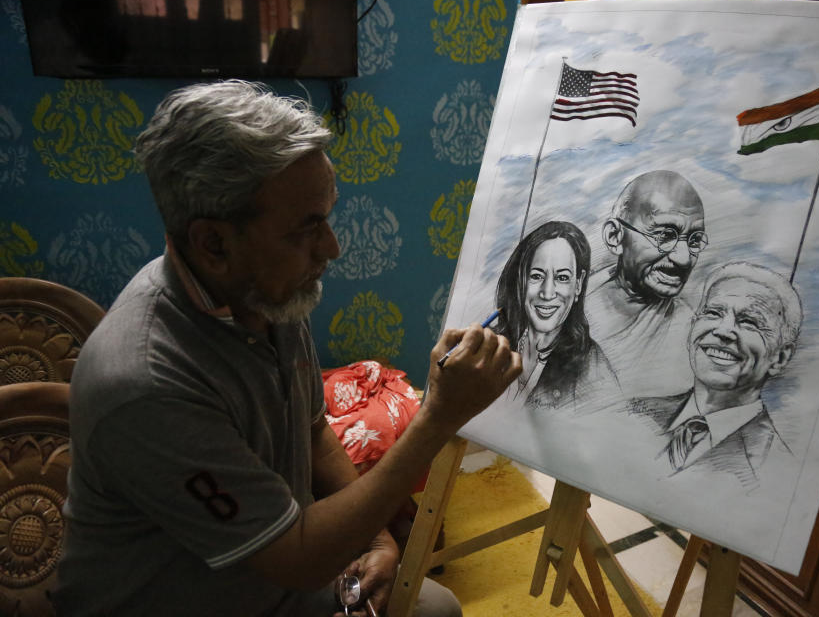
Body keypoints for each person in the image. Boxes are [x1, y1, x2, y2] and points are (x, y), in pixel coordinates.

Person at [53, 80, 522, 617]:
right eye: (307, 228)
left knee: (436, 609)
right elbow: (299, 558)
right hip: (184, 596)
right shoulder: (144, 383)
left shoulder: (265, 295)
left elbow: (314, 430)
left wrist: (374, 542)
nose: (332, 247)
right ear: (213, 244)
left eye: (328, 216)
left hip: (272, 570)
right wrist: (438, 418)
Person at [625, 261, 800, 487]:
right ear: (691, 329)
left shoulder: (776, 472)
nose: (723, 330)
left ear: (780, 358)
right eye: (714, 313)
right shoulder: (631, 414)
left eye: (749, 322)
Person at [585, 170, 707, 399]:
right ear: (615, 236)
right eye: (664, 235)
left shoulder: (691, 340)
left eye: (695, 240)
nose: (684, 258)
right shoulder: (561, 303)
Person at [492, 221, 618, 413]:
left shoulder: (592, 368)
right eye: (536, 276)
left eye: (562, 278)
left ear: (578, 285)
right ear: (520, 280)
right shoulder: (492, 342)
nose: (547, 293)